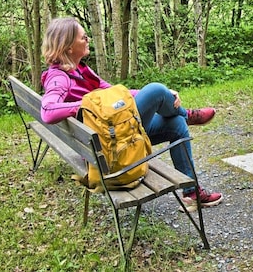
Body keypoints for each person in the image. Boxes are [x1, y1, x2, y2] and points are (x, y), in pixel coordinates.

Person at [39, 17, 222, 212]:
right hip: (108, 145)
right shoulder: (59, 77)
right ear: (68, 47)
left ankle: (192, 192)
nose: (88, 40)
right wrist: (89, 106)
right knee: (157, 89)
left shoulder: (81, 70)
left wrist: (158, 95)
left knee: (175, 122)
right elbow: (48, 112)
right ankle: (188, 115)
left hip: (115, 136)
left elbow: (118, 93)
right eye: (83, 37)